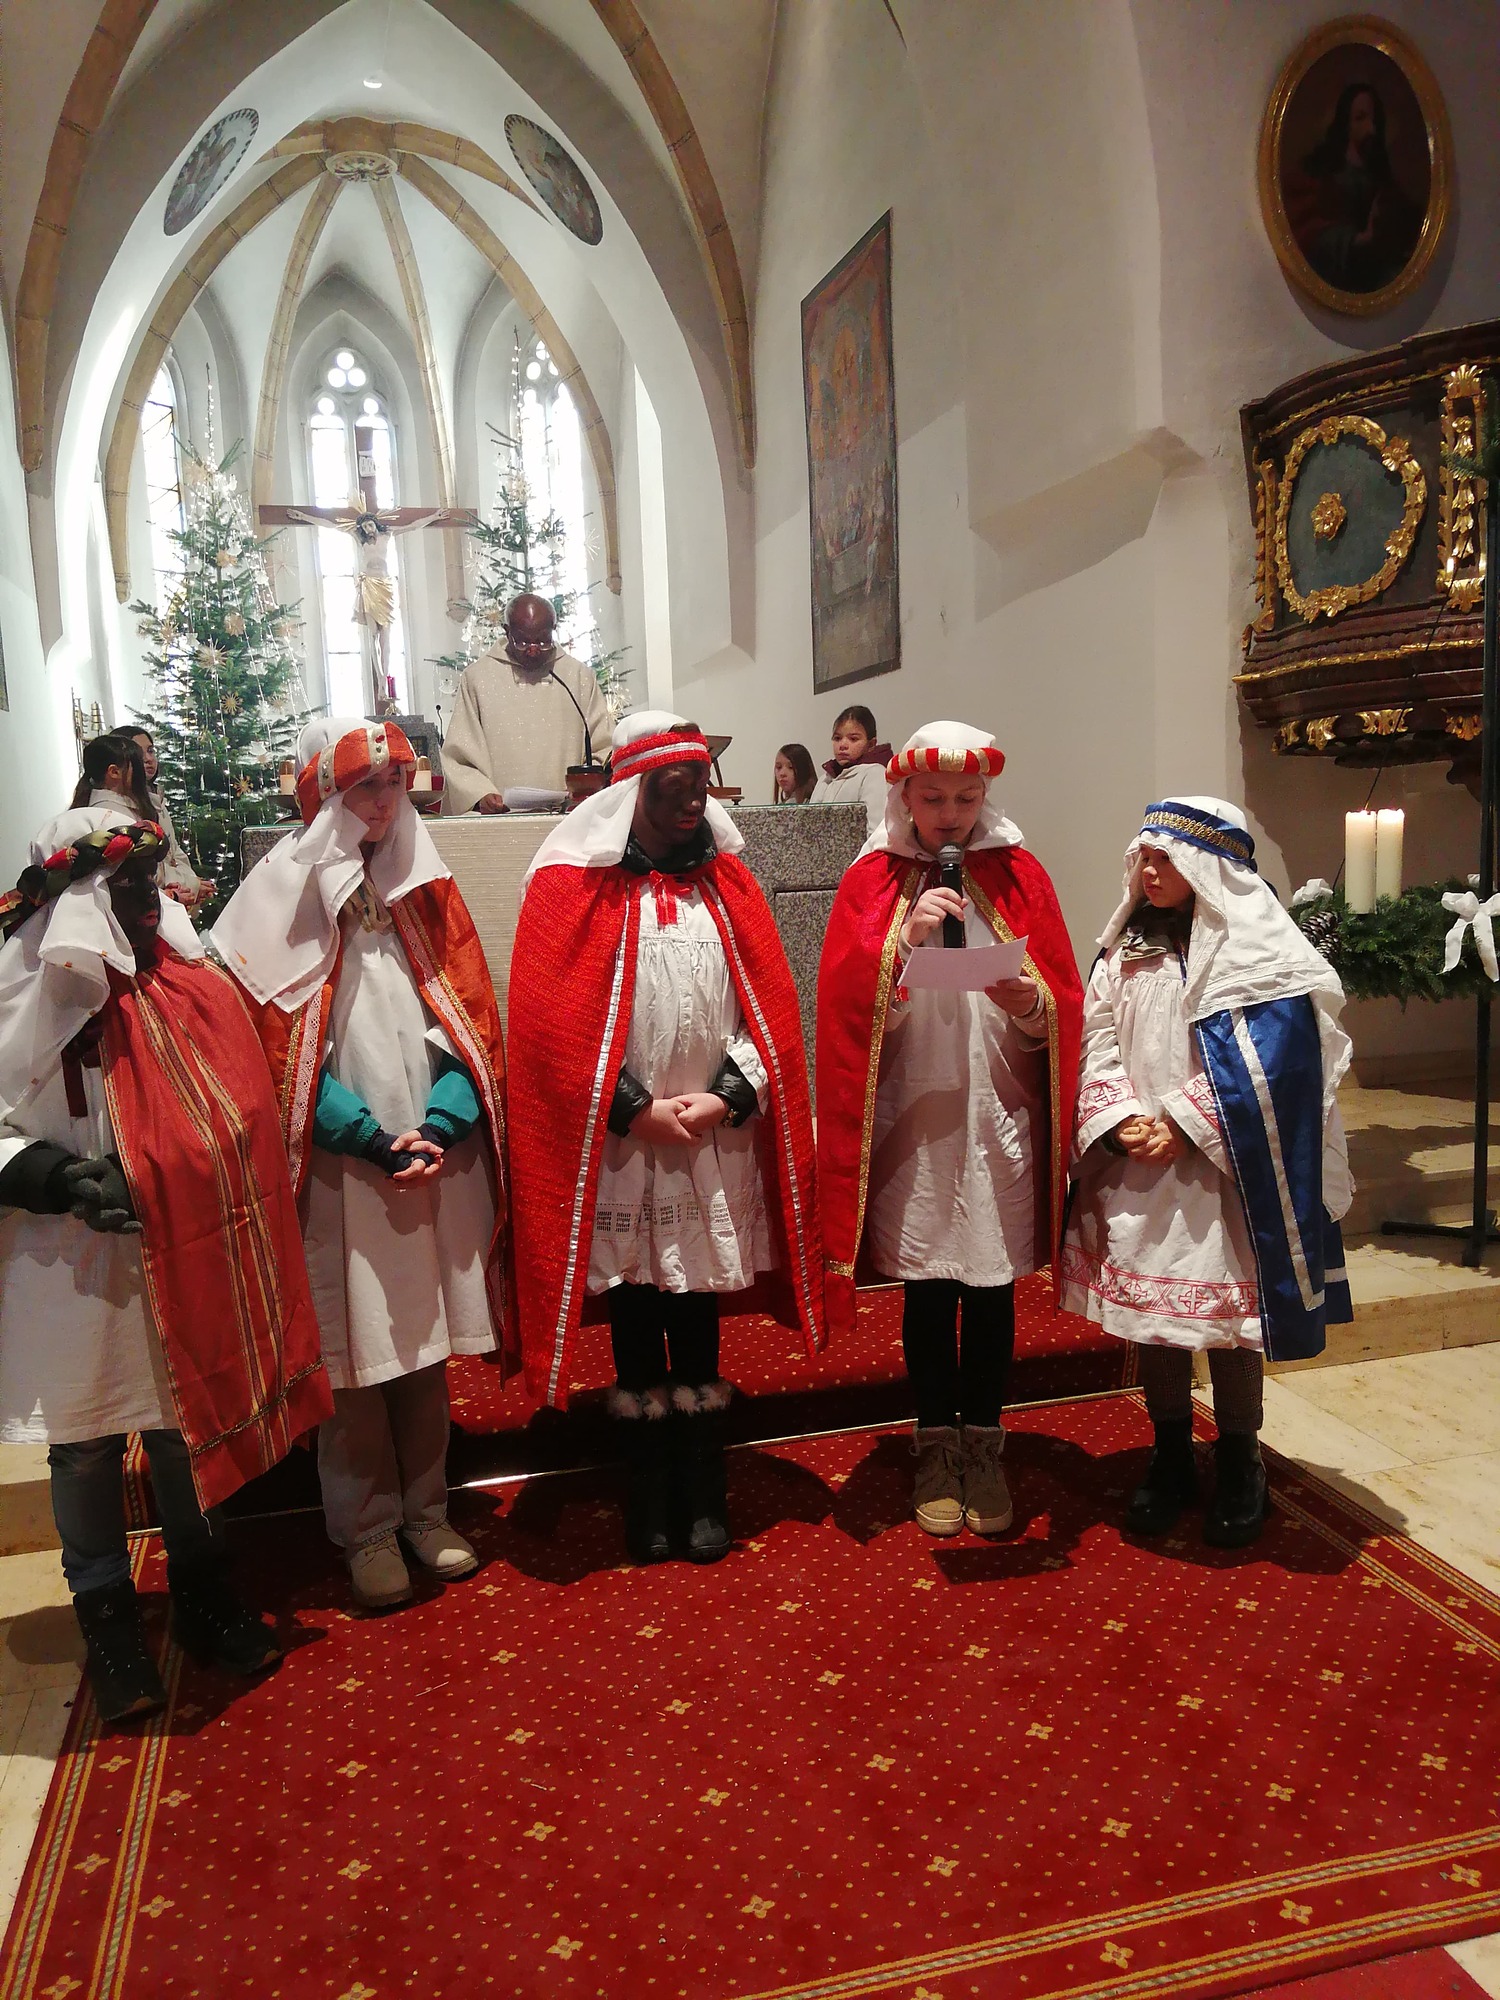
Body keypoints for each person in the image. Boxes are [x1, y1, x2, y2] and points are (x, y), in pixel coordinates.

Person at [0, 808, 331, 1722]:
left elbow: (241, 1106)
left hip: (185, 1256)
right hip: (66, 1269)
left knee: (187, 1426)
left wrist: (186, 1164)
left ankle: (203, 1588)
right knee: (86, 1448)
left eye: (152, 880)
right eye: (129, 886)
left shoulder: (186, 983)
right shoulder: (15, 989)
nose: (152, 898)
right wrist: (53, 1177)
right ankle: (106, 1616)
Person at [506, 710, 824, 1565]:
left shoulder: (732, 885)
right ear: (631, 795)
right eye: (673, 789)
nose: (692, 803)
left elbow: (771, 1013)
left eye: (699, 788)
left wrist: (726, 1097)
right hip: (625, 1143)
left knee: (697, 1307)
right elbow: (548, 1027)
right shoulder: (572, 886)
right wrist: (633, 1109)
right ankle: (648, 1488)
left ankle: (702, 1483)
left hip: (709, 1142)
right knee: (639, 1306)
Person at [213, 719, 511, 1611]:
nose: (383, 804)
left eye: (394, 785)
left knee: (421, 1347)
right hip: (340, 1172)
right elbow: (269, 1053)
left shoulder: (426, 887)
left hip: (431, 1159)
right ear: (324, 795)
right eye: (364, 787)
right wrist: (369, 1139)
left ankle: (427, 1511)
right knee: (353, 1352)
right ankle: (367, 1527)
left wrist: (443, 1122)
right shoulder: (278, 899)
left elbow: (469, 1015)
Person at [1061, 797, 1354, 1549]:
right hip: (1137, 1169)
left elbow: (1278, 1066)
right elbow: (1097, 1037)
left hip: (1226, 1175)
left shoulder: (1258, 955)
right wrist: (1119, 1117)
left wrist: (1186, 1124)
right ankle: (1169, 1451)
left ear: (1210, 869)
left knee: (1227, 1328)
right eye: (1144, 859)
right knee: (1158, 1323)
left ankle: (1240, 1456)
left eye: (1167, 860)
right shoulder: (1125, 951)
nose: (1149, 873)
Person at [817, 722, 1082, 1538]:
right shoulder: (873, 878)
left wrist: (1030, 1003)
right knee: (930, 1290)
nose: (951, 814)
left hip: (998, 1111)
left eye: (966, 799)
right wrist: (904, 944)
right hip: (917, 1118)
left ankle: (985, 1443)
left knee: (992, 1289)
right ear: (903, 796)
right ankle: (935, 1443)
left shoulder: (1019, 872)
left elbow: (1063, 1001)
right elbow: (846, 1013)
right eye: (933, 798)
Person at [439, 592, 609, 813]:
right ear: (507, 631)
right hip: (500, 819)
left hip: (568, 816)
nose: (533, 649)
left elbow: (603, 747)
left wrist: (583, 787)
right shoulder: (478, 679)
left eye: (543, 641)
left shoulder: (578, 677)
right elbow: (459, 756)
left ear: (553, 629)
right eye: (523, 641)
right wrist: (480, 794)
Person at [1283, 81, 1421, 294]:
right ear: (1345, 123)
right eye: (1361, 118)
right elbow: (1305, 234)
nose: (1371, 129)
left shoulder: (1381, 179)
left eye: (1375, 120)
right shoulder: (1320, 174)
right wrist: (1357, 240)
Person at [127, 728, 212, 908]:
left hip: (176, 889)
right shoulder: (128, 805)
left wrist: (192, 882)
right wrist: (190, 884)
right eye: (139, 753)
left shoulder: (156, 797)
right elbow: (148, 866)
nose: (148, 759)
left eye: (151, 750)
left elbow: (174, 851)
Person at [810, 705, 892, 837]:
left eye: (853, 739)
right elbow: (808, 825)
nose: (843, 745)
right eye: (837, 738)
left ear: (871, 744)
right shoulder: (824, 779)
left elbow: (875, 832)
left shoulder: (874, 774)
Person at [72, 732, 154, 821]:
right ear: (114, 772)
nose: (142, 771)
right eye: (137, 765)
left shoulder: (119, 809)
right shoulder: (110, 814)